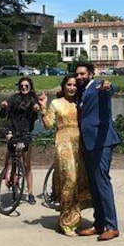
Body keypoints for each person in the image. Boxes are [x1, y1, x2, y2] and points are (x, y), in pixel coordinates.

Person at [39, 75, 92, 236]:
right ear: (63, 87)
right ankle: (65, 220)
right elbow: (48, 125)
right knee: (70, 179)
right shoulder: (56, 103)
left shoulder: (80, 103)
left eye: (74, 85)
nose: (72, 88)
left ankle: (74, 217)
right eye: (68, 85)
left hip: (80, 144)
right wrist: (43, 107)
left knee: (81, 180)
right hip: (63, 144)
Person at [74, 62, 121, 241]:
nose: (79, 77)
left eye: (83, 74)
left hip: (102, 142)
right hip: (88, 143)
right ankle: (99, 224)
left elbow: (109, 90)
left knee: (102, 182)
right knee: (94, 184)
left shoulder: (98, 87)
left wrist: (109, 87)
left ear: (91, 74)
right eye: (77, 74)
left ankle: (112, 226)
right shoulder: (83, 92)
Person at [0, 76, 40, 204]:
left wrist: (36, 110)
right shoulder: (14, 98)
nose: (23, 88)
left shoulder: (33, 100)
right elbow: (2, 115)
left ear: (30, 87)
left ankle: (30, 193)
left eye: (26, 86)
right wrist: (4, 107)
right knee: (11, 145)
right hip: (12, 129)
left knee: (27, 164)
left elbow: (34, 118)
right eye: (22, 86)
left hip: (25, 131)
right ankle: (7, 167)